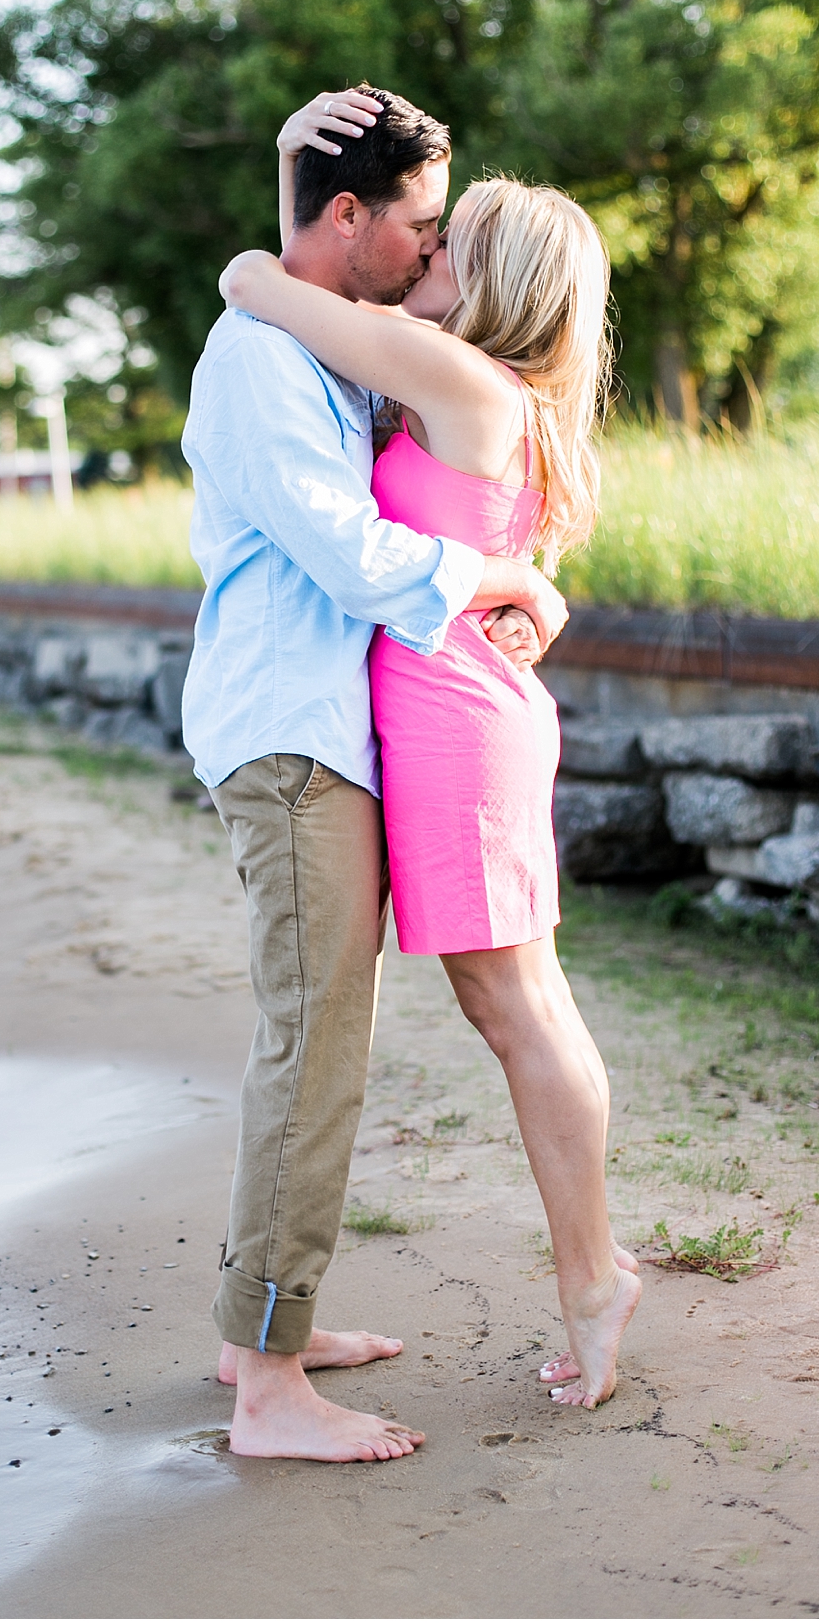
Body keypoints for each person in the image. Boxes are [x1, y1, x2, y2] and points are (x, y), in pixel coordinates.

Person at [219, 87, 642, 1412]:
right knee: (509, 1004)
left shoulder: (458, 377)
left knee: (517, 1008)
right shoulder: (464, 387)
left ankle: (594, 1275)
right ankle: (590, 1272)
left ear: (490, 285)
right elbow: (326, 262)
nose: (424, 255)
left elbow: (285, 287)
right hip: (444, 721)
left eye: (448, 245)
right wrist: (294, 168)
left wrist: (244, 256)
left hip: (457, 731)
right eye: (425, 232)